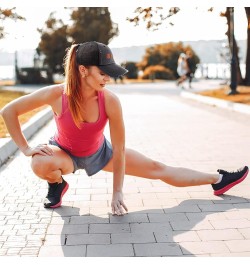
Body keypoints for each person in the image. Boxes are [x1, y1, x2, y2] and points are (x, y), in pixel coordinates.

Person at [0, 41, 248, 216]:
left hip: (102, 153)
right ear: (83, 70)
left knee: (158, 169)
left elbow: (118, 149)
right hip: (64, 154)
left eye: (111, 73)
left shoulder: (110, 101)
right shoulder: (56, 94)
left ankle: (218, 179)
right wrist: (26, 148)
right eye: (103, 72)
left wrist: (117, 191)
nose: (108, 78)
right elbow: (8, 111)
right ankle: (57, 184)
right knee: (39, 163)